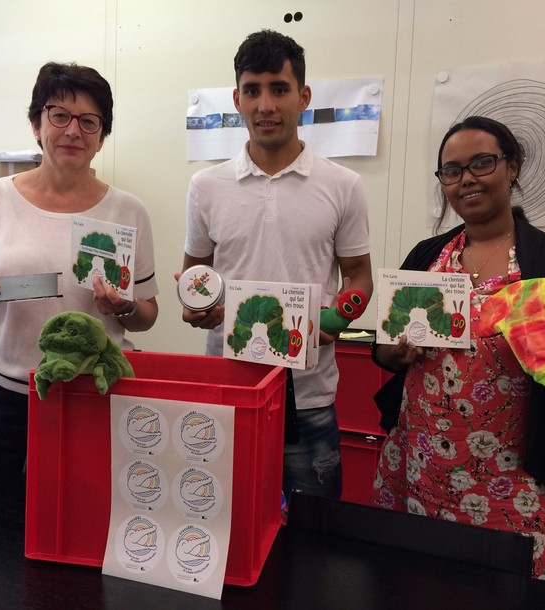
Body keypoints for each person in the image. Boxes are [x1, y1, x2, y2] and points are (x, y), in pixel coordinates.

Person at [370, 115, 545, 578]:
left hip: (521, 481)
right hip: (422, 466)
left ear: (512, 166)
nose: (467, 179)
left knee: (520, 590)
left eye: (482, 163)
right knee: (424, 584)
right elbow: (382, 350)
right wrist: (397, 351)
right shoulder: (426, 256)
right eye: (452, 170)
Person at [180, 30, 373, 500]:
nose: (265, 105)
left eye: (279, 89)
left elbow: (359, 277)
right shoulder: (205, 186)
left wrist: (337, 318)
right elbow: (196, 276)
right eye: (253, 90)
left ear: (303, 97)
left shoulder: (343, 185)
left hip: (308, 395)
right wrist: (197, 307)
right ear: (237, 100)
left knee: (314, 529)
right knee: (223, 518)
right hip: (229, 388)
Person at [0, 62, 159, 470]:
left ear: (101, 138)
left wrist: (125, 307)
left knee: (82, 504)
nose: (73, 131)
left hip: (90, 390)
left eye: (89, 121)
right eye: (59, 115)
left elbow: (147, 315)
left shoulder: (129, 211)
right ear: (36, 125)